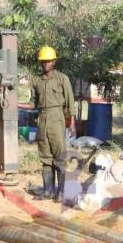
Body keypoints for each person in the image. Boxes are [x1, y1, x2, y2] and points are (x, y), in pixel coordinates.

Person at [29, 46, 74, 200]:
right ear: (40, 63)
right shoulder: (36, 81)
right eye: (43, 61)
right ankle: (48, 191)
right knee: (45, 157)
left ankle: (61, 193)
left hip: (57, 118)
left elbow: (70, 102)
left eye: (49, 61)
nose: (46, 63)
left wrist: (72, 123)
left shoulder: (62, 79)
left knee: (60, 157)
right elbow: (34, 103)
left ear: (54, 61)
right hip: (42, 119)